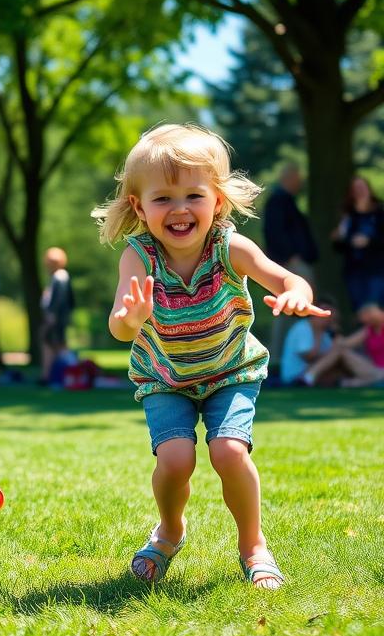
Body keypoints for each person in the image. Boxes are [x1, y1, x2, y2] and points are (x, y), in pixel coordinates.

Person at [94, 123, 331, 591]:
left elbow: (288, 280)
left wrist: (296, 296)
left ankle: (253, 545)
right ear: (140, 207)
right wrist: (133, 317)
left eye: (193, 196)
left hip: (230, 371)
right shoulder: (138, 257)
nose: (179, 209)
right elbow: (120, 327)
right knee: (177, 459)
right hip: (165, 376)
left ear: (217, 201)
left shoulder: (230, 247)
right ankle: (169, 531)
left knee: (228, 451)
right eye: (162, 199)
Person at [263, 163, 318, 366]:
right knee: (286, 312)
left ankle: (290, 361)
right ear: (289, 178)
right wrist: (291, 257)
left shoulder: (287, 201)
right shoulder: (278, 201)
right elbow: (274, 233)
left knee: (297, 311)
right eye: (298, 177)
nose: (301, 182)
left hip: (296, 263)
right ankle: (277, 361)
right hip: (291, 265)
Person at [302, 301, 384, 389]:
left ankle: (349, 383)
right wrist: (334, 329)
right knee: (341, 350)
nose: (367, 316)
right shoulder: (368, 330)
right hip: (373, 369)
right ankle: (308, 377)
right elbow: (344, 344)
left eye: (369, 312)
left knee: (357, 382)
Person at [332, 175, 384, 312]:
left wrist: (369, 242)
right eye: (356, 188)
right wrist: (338, 238)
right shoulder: (348, 215)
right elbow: (338, 246)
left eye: (362, 187)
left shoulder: (380, 212)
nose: (360, 191)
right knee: (361, 312)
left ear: (369, 189)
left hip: (377, 270)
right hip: (354, 271)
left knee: (375, 309)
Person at [279, 296, 336, 386]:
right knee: (339, 350)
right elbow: (309, 357)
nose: (328, 316)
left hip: (317, 375)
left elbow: (330, 356)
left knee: (340, 351)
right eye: (324, 310)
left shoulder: (325, 333)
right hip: (295, 377)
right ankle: (307, 378)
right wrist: (319, 332)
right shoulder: (302, 328)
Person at [39, 246, 74, 384]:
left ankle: (49, 375)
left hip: (57, 319)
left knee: (53, 344)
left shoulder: (59, 277)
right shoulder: (60, 276)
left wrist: (52, 315)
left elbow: (59, 299)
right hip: (60, 318)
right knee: (58, 345)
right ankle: (53, 374)